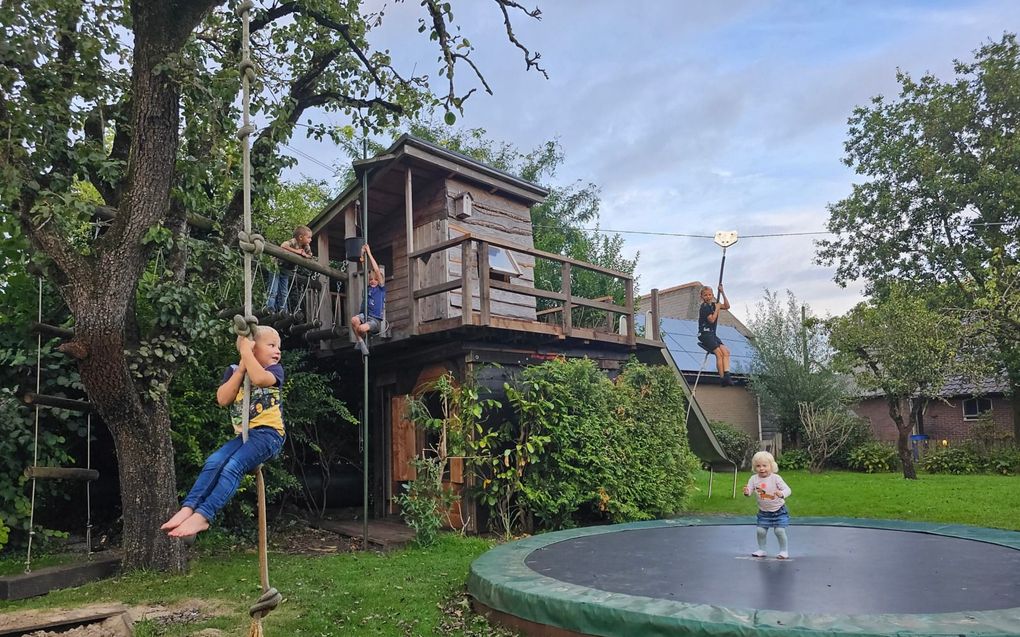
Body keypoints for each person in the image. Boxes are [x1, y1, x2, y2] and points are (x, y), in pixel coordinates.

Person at [161, 327, 286, 538]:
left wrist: (247, 354)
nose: (278, 351)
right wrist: (240, 369)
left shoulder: (275, 370)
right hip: (245, 436)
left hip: (269, 435)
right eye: (272, 345)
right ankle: (188, 509)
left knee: (232, 467)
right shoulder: (235, 370)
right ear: (253, 347)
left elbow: (260, 379)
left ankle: (204, 516)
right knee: (214, 461)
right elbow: (223, 399)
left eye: (279, 347)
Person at [742, 451, 792, 559]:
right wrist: (746, 492)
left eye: (765, 465)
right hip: (763, 512)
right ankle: (762, 549)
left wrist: (782, 494)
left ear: (772, 466)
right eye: (758, 466)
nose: (762, 468)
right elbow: (749, 491)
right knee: (760, 531)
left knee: (779, 531)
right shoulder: (754, 479)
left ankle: (784, 551)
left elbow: (788, 490)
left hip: (779, 510)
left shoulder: (776, 478)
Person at [266, 225, 313, 312]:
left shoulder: (306, 246)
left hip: (286, 269)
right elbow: (283, 245)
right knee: (273, 289)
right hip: (276, 266)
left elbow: (310, 256)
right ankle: (270, 308)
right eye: (309, 237)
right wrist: (298, 252)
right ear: (301, 237)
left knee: (284, 292)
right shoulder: (293, 241)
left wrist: (304, 255)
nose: (311, 239)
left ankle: (283, 311)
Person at [350, 243, 385, 356]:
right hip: (364, 315)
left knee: (360, 329)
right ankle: (360, 342)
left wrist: (369, 253)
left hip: (374, 320)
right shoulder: (368, 288)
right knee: (354, 320)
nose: (372, 281)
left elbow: (376, 270)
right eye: (371, 279)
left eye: (375, 279)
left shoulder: (380, 288)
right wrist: (362, 255)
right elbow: (366, 269)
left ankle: (362, 338)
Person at [698, 284, 733, 386]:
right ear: (702, 297)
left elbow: (727, 306)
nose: (708, 297)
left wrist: (722, 292)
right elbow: (712, 319)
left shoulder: (713, 305)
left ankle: (727, 375)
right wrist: (717, 308)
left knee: (726, 352)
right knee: (719, 353)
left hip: (712, 334)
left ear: (712, 295)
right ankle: (722, 378)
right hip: (705, 333)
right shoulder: (704, 307)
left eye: (710, 295)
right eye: (706, 295)